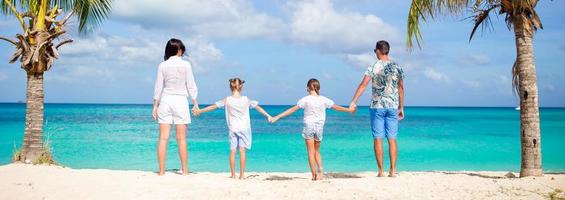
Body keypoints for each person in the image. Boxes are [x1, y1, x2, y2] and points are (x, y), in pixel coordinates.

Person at [270, 78, 354, 180]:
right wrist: (349, 110)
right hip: (319, 127)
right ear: (318, 87)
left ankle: (314, 175)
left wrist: (277, 117)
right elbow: (336, 107)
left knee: (310, 152)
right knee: (317, 151)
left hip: (309, 126)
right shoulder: (324, 99)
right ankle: (320, 170)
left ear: (308, 88)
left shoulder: (305, 99)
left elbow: (292, 109)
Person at [193, 78, 272, 179]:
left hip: (233, 128)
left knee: (233, 151)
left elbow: (213, 106)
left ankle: (233, 174)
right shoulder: (246, 100)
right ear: (241, 87)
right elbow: (258, 107)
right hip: (244, 128)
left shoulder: (227, 100)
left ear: (230, 87)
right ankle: (242, 175)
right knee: (242, 151)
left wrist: (200, 111)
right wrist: (268, 116)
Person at [349, 40, 405, 177]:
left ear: (379, 51)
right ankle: (392, 171)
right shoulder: (397, 67)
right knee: (392, 138)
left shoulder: (374, 66)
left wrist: (354, 101)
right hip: (392, 106)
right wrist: (401, 107)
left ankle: (381, 171)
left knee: (378, 138)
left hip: (377, 106)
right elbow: (401, 88)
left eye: (375, 51)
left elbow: (363, 85)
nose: (375, 53)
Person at [152, 38, 199, 176]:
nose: (183, 51)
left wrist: (155, 105)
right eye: (182, 49)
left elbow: (158, 87)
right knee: (182, 139)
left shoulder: (162, 65)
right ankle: (184, 171)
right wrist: (195, 102)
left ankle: (161, 172)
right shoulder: (186, 65)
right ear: (178, 50)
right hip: (180, 101)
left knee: (163, 138)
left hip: (165, 101)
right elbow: (191, 85)